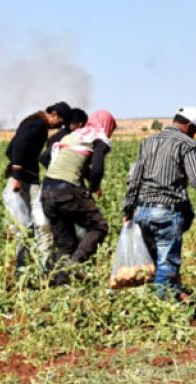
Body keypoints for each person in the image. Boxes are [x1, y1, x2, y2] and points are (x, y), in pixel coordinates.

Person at [122, 107, 196, 299]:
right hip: (166, 212)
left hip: (143, 212)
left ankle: (161, 297)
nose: (194, 136)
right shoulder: (185, 143)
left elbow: (135, 178)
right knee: (166, 263)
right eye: (194, 131)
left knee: (153, 261)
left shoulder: (147, 141)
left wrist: (128, 208)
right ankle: (164, 308)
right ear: (188, 126)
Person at [41, 110, 117, 285]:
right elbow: (97, 167)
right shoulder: (98, 137)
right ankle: (74, 265)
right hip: (67, 191)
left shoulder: (72, 135)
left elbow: (44, 157)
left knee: (65, 244)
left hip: (47, 191)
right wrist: (94, 186)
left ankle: (61, 287)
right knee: (99, 226)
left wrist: (62, 172)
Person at [4, 101, 70, 273]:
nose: (59, 127)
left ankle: (26, 267)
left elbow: (10, 150)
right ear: (54, 114)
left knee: (27, 224)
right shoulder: (38, 124)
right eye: (60, 122)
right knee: (35, 223)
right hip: (23, 179)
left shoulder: (34, 122)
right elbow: (18, 146)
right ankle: (28, 268)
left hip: (26, 177)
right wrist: (17, 174)